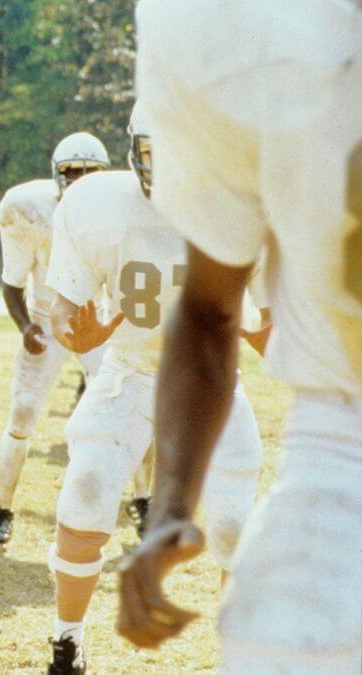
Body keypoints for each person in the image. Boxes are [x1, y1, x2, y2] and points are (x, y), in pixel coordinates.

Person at [118, 2, 362, 672]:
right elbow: (209, 307)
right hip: (343, 448)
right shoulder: (224, 25)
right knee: (281, 633)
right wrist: (168, 506)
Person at [43, 103, 265, 674]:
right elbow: (64, 305)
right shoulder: (93, 203)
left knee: (235, 528)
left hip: (211, 382)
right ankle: (66, 640)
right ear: (135, 149)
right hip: (130, 372)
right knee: (87, 492)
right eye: (157, 151)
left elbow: (272, 326)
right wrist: (77, 332)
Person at [0, 131, 111, 544]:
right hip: (46, 316)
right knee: (21, 413)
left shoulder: (118, 209)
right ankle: (2, 508)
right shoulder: (29, 210)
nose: (80, 182)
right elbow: (12, 283)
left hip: (100, 317)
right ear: (58, 175)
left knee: (129, 410)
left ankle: (142, 501)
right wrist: (26, 327)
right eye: (72, 173)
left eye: (90, 175)